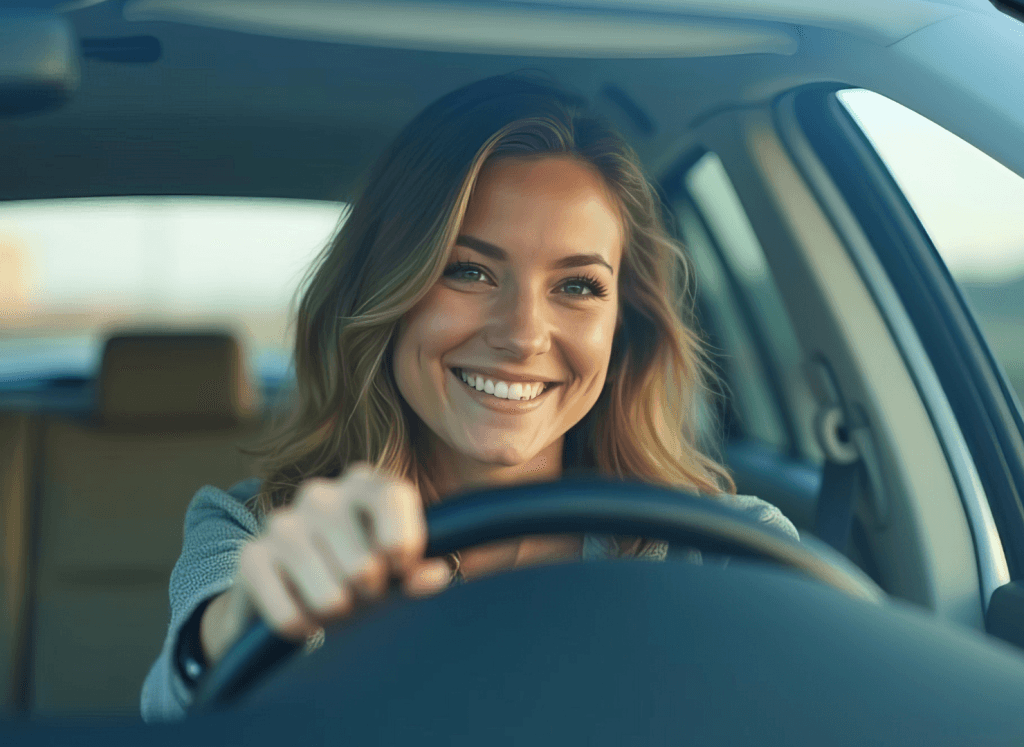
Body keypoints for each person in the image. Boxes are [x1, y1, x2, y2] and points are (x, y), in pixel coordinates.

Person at [140, 72, 798, 723]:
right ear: (386, 294)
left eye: (577, 286)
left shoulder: (725, 549)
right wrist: (246, 626)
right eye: (470, 270)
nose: (521, 334)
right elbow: (178, 701)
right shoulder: (259, 531)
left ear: (623, 324)